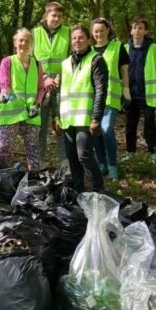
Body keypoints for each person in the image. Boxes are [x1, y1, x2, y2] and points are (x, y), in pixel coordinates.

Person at [58, 24, 107, 193]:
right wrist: (56, 118)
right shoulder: (65, 64)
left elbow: (101, 90)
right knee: (72, 157)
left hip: (86, 118)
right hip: (67, 117)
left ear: (88, 39)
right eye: (74, 38)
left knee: (84, 155)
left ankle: (98, 189)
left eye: (81, 38)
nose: (77, 41)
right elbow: (61, 91)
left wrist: (96, 118)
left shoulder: (96, 60)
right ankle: (79, 190)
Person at [0, 28, 44, 171]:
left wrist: (38, 103)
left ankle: (34, 180)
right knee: (4, 148)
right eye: (21, 40)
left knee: (33, 150)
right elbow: (4, 83)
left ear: (32, 44)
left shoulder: (37, 64)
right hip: (11, 112)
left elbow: (41, 88)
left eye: (27, 40)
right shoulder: (7, 62)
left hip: (31, 114)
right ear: (15, 43)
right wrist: (4, 92)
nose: (24, 43)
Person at [91, 17, 130, 180]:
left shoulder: (117, 47)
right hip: (93, 98)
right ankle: (101, 164)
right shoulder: (90, 50)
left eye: (102, 30)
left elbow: (124, 70)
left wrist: (126, 90)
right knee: (96, 131)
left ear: (108, 30)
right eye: (96, 31)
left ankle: (113, 165)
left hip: (112, 96)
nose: (99, 33)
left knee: (106, 130)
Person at [32, 1, 70, 167]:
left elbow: (72, 57)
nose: (56, 19)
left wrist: (61, 76)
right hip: (40, 86)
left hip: (62, 84)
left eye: (60, 16)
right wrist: (45, 77)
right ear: (46, 15)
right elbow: (30, 59)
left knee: (61, 124)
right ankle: (39, 161)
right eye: (53, 15)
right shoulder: (34, 33)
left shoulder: (68, 33)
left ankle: (65, 161)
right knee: (40, 125)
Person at [125, 17, 156, 159]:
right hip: (130, 93)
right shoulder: (125, 48)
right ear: (131, 31)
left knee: (150, 123)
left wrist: (155, 87)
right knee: (130, 124)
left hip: (148, 94)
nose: (137, 31)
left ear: (146, 31)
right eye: (135, 28)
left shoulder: (154, 48)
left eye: (141, 28)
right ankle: (130, 152)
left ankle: (153, 151)